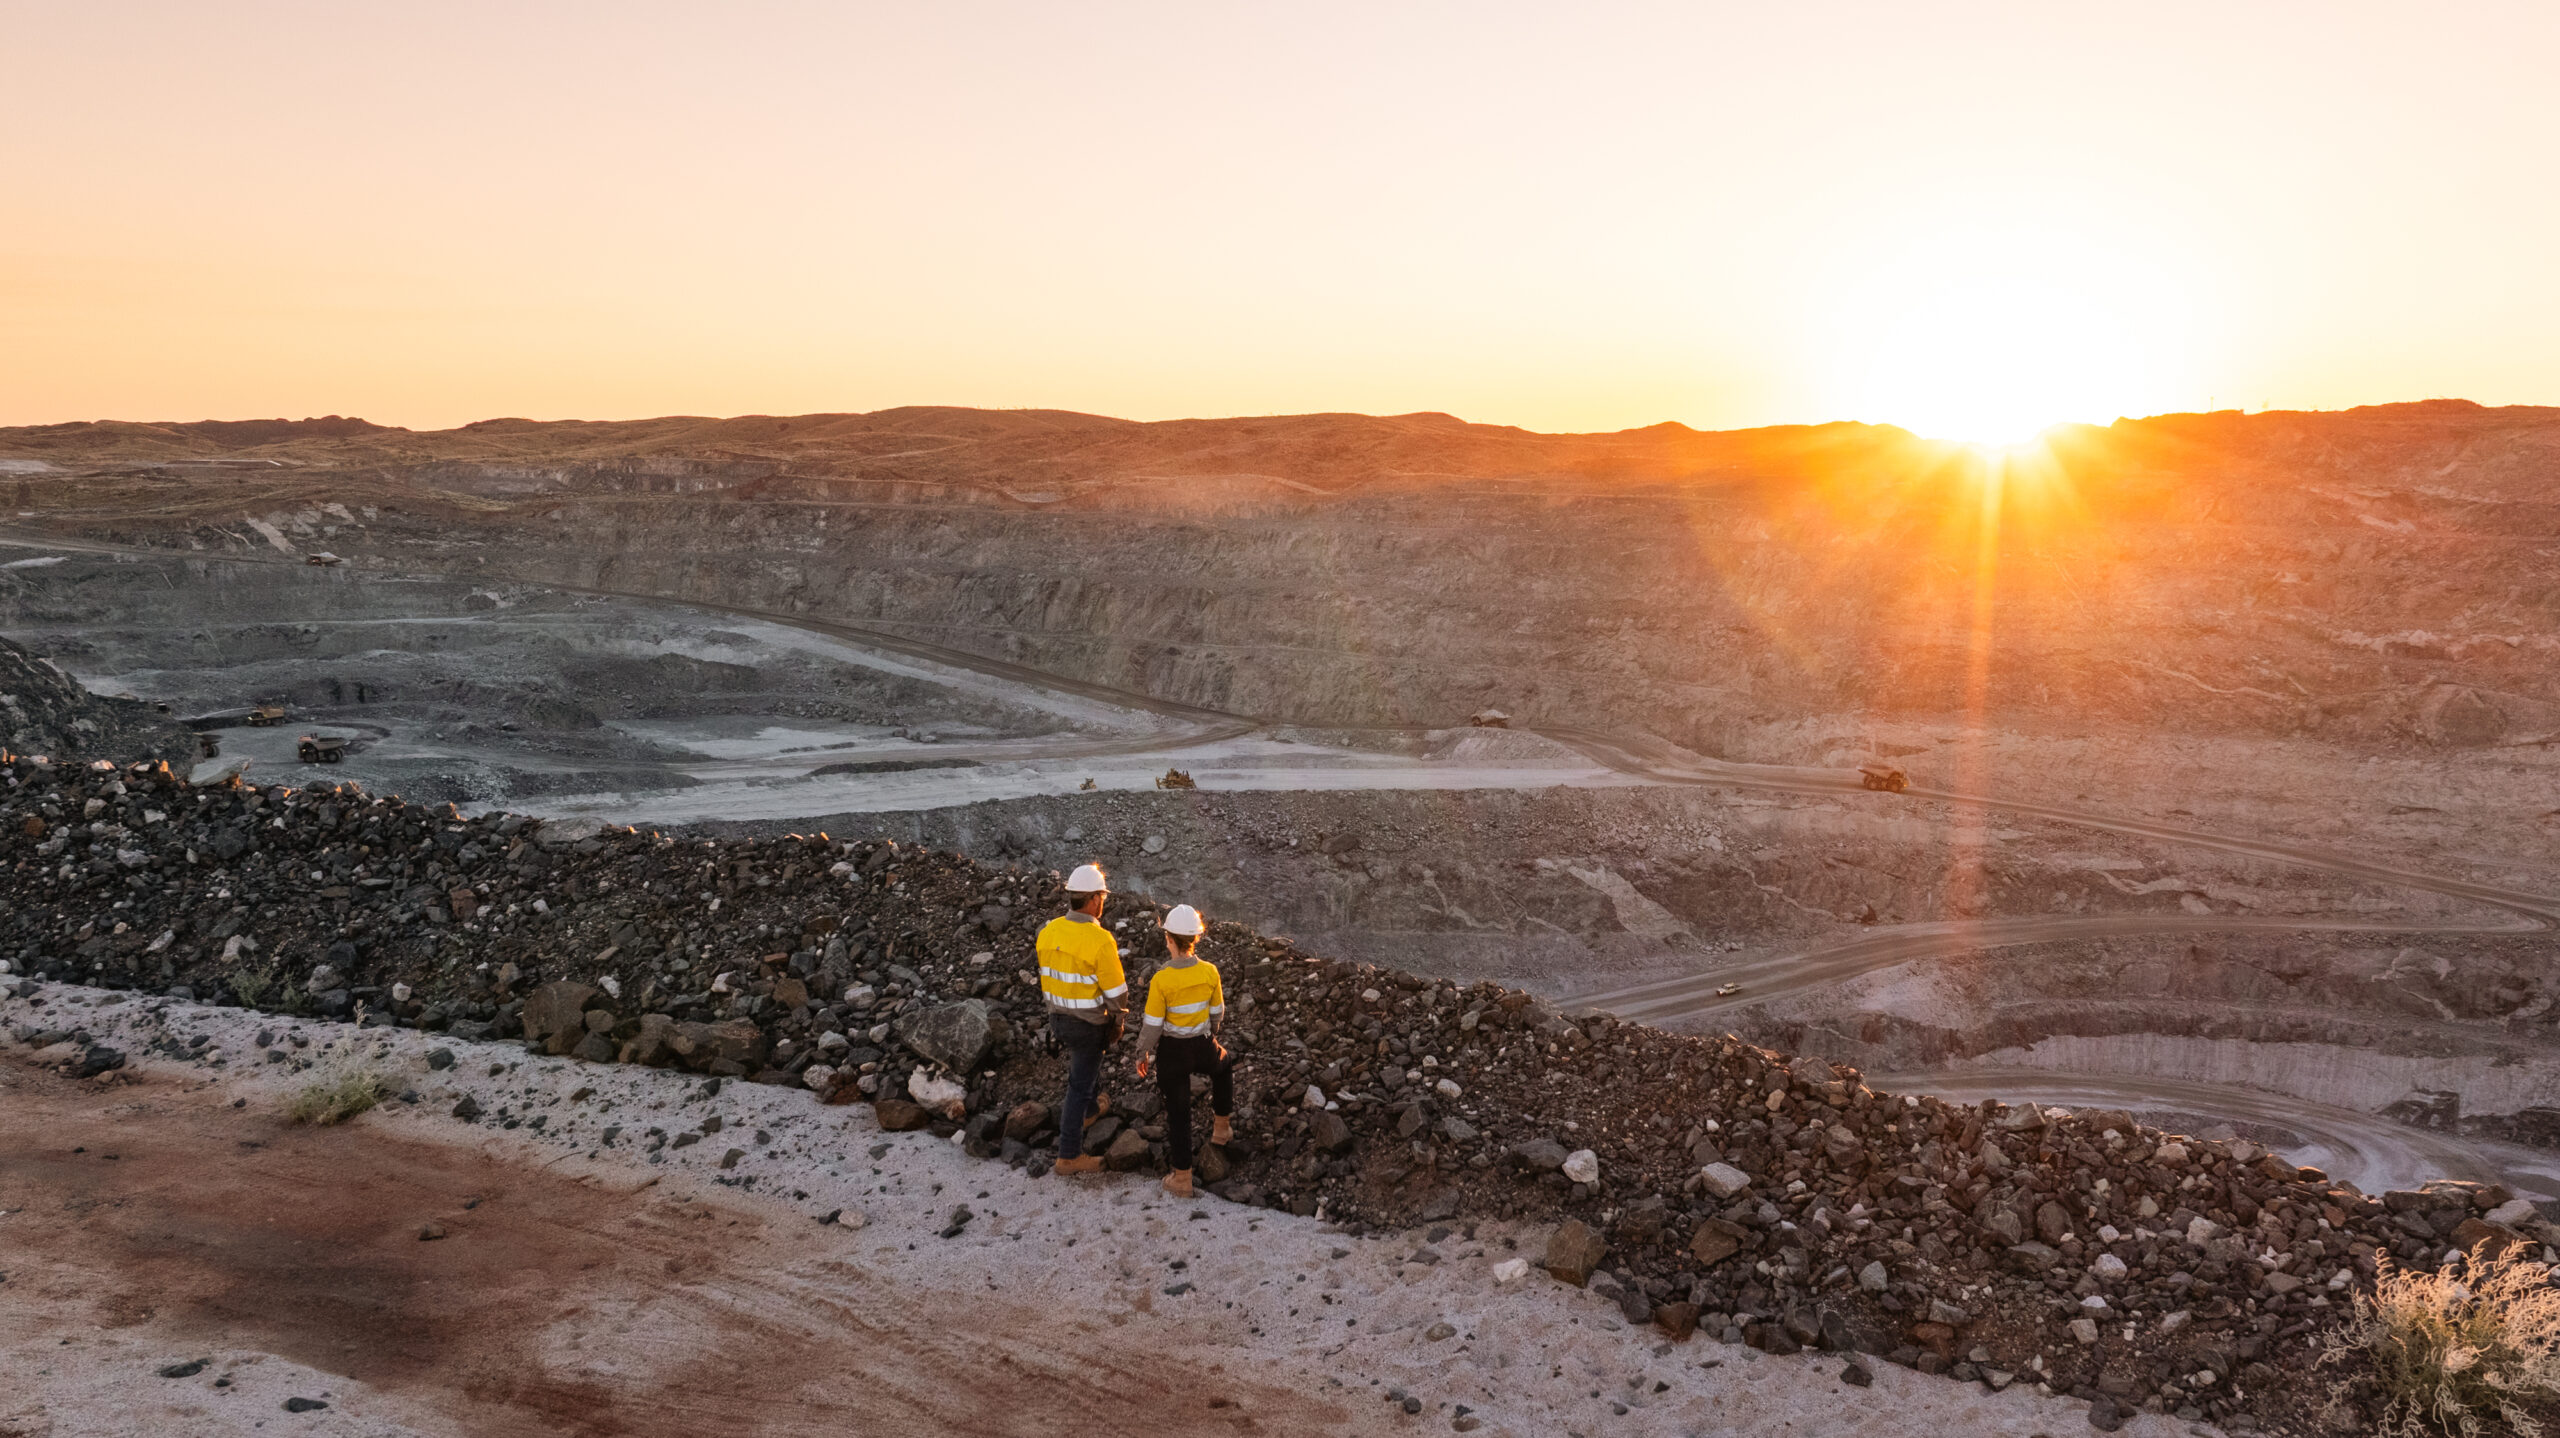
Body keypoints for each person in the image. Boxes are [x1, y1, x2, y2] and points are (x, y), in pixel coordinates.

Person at [1133, 903, 1236, 1199]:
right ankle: (1221, 1128)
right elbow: (1217, 1013)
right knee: (1223, 1064)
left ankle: (1181, 1177)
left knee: (1179, 1114)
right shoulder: (1209, 972)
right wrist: (1211, 1036)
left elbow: (1153, 1025)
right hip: (1202, 1044)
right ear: (1195, 939)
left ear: (1169, 939)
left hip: (1172, 1052)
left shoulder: (1162, 980)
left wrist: (1143, 1053)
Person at [1038, 863, 1128, 1176]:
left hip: (1058, 1021)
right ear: (1092, 899)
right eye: (1101, 897)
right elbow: (1117, 993)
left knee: (1085, 1068)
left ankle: (1090, 1111)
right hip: (1088, 1025)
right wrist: (1118, 1022)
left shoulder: (1049, 932)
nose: (1103, 902)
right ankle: (1069, 1155)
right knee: (1078, 1084)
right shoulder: (1099, 939)